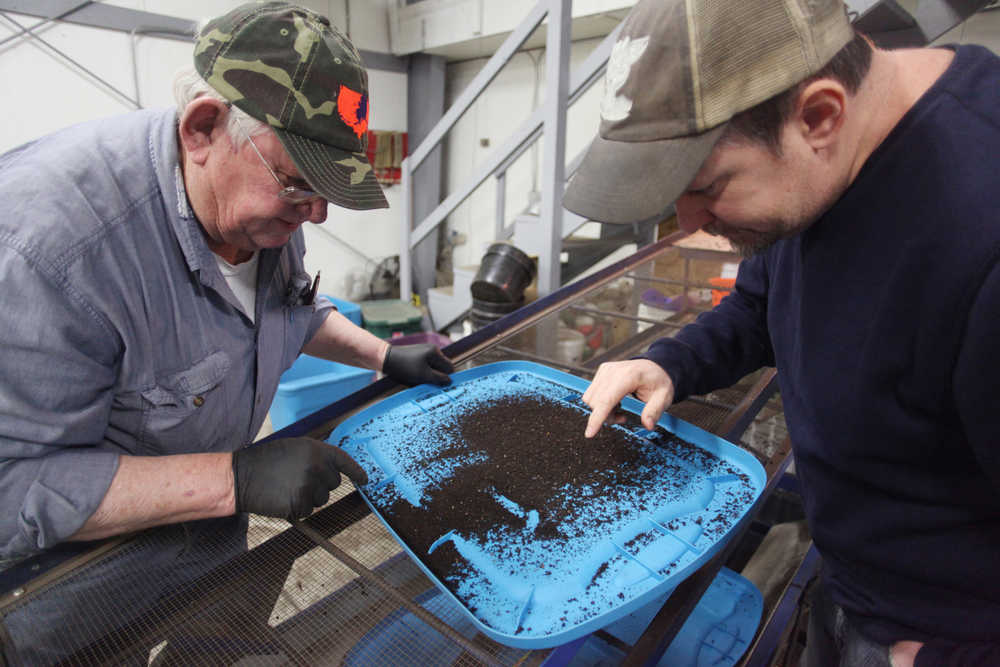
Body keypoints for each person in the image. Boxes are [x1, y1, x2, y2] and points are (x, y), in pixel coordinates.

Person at [0, 2, 452, 659]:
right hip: (82, 589)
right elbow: (13, 485)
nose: (318, 214)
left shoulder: (254, 215)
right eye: (300, 185)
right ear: (204, 128)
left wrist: (385, 354)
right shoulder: (48, 256)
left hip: (212, 545)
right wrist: (231, 480)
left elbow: (286, 312)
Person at [563, 0, 1000, 665]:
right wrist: (672, 364)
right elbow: (760, 304)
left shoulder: (980, 229)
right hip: (851, 583)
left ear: (819, 115)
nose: (689, 225)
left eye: (708, 186)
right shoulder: (828, 162)